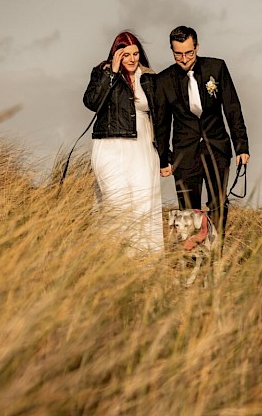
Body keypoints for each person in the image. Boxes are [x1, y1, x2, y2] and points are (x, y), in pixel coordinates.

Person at [156, 25, 249, 237]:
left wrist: (241, 146)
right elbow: (162, 123)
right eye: (178, 53)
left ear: (197, 47)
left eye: (189, 52)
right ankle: (191, 258)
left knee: (218, 203)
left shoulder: (216, 68)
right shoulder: (163, 80)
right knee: (187, 209)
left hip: (217, 148)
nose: (184, 58)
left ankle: (215, 255)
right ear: (172, 51)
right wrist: (163, 158)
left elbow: (232, 107)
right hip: (184, 154)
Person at [82, 31, 165, 253]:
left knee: (144, 204)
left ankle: (145, 264)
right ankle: (113, 259)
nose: (131, 58)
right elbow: (92, 102)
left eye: (135, 53)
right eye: (126, 54)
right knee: (117, 204)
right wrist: (113, 74)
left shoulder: (149, 77)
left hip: (143, 148)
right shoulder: (102, 72)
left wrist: (166, 155)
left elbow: (161, 116)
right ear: (116, 54)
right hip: (111, 147)